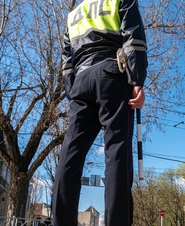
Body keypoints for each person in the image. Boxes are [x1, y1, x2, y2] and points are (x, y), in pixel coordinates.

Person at [52, 0, 147, 225]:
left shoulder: (74, 14)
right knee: (117, 152)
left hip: (80, 83)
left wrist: (72, 91)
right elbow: (134, 39)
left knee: (70, 156)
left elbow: (66, 61)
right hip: (111, 74)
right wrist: (137, 80)